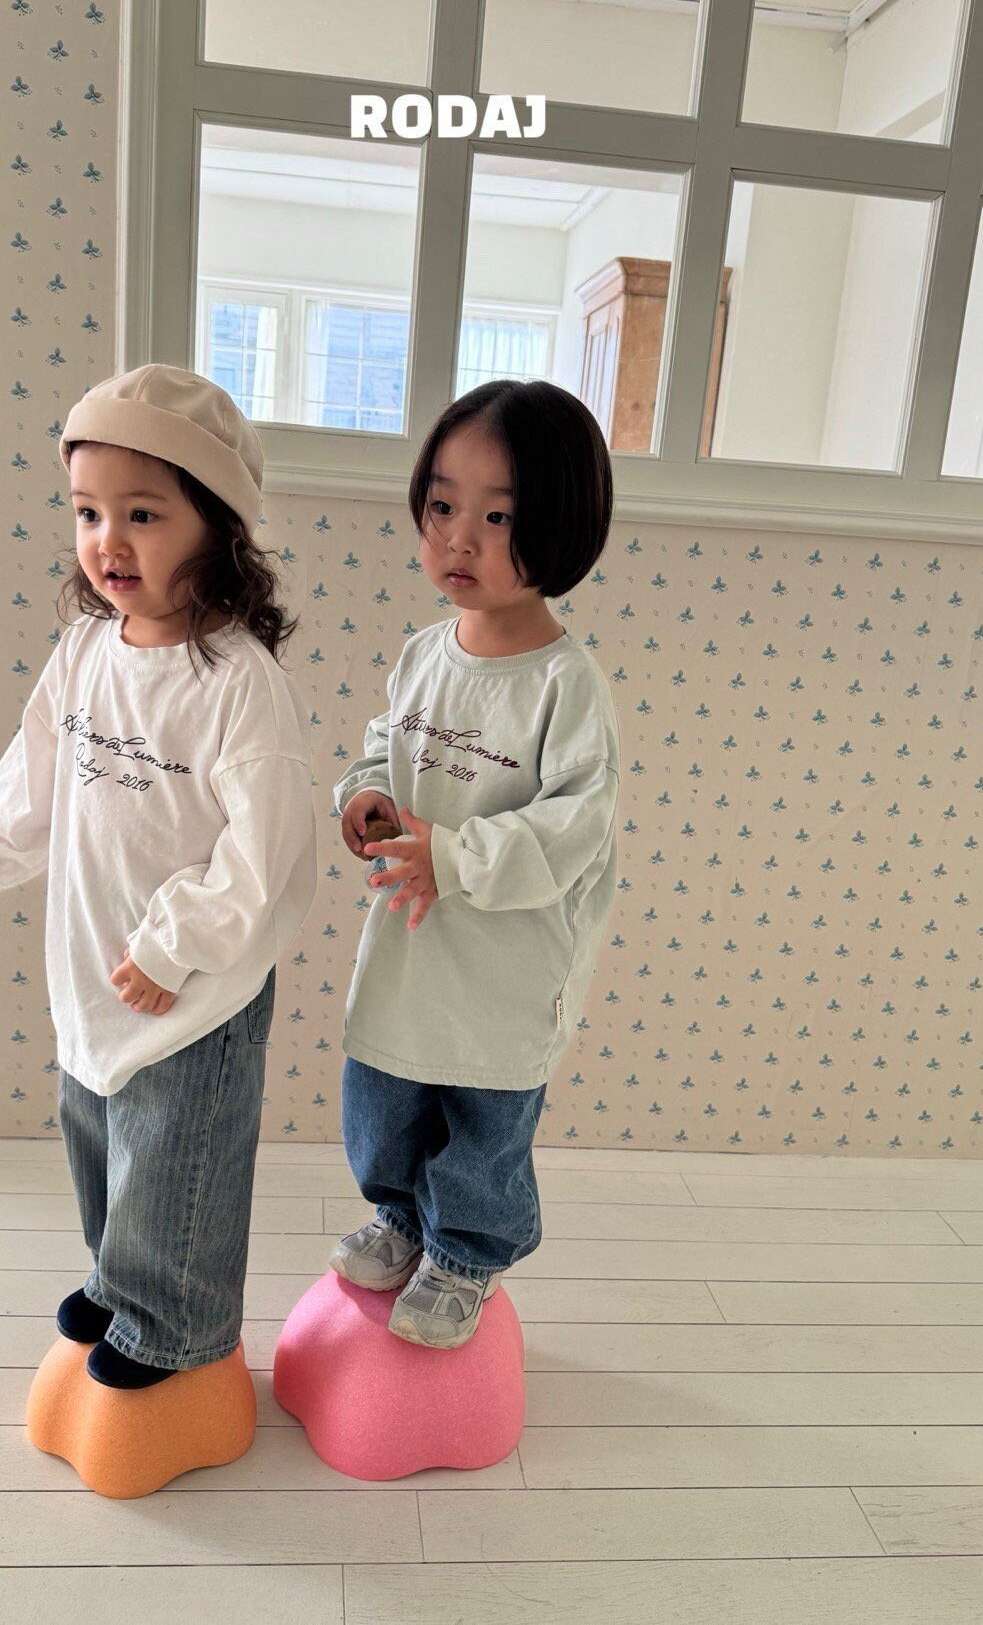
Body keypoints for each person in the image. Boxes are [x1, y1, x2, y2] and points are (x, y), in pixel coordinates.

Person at [0, 364, 317, 1389]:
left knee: (176, 1154)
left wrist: (173, 946)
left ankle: (175, 1324)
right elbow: (32, 777)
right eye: (88, 512)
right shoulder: (86, 653)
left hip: (196, 983)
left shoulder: (238, 685)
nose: (108, 540)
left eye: (142, 514)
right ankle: (117, 1276)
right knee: (98, 1132)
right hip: (92, 966)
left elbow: (263, 852)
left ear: (217, 526)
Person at [329, 378, 619, 1348]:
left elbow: (573, 827)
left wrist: (453, 857)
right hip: (409, 943)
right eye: (442, 506)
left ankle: (465, 1252)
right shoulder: (423, 655)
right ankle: (401, 1217)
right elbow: (384, 747)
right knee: (386, 1092)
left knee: (484, 1115)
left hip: (504, 960)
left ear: (561, 525)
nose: (459, 538)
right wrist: (364, 798)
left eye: (497, 517)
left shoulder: (564, 686)